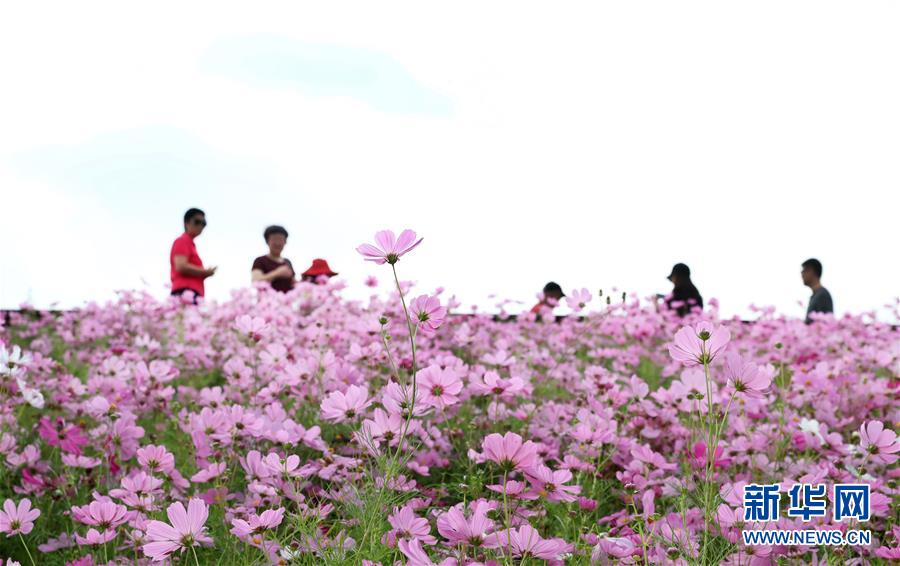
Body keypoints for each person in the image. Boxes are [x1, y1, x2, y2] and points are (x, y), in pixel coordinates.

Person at [170, 208, 216, 303]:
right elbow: (181, 266)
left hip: (192, 292)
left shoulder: (190, 244)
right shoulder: (182, 241)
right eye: (197, 221)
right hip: (185, 291)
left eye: (203, 223)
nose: (200, 226)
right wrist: (205, 272)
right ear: (187, 222)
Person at [251, 225, 296, 292]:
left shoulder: (287, 262)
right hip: (267, 301)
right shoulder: (260, 261)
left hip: (286, 301)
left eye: (281, 239)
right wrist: (277, 273)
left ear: (285, 242)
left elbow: (293, 284)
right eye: (274, 239)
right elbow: (256, 281)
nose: (277, 243)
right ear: (267, 241)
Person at [801, 258, 833, 323]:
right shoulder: (815, 295)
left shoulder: (822, 295)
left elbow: (826, 322)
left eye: (805, 270)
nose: (802, 273)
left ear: (812, 271)